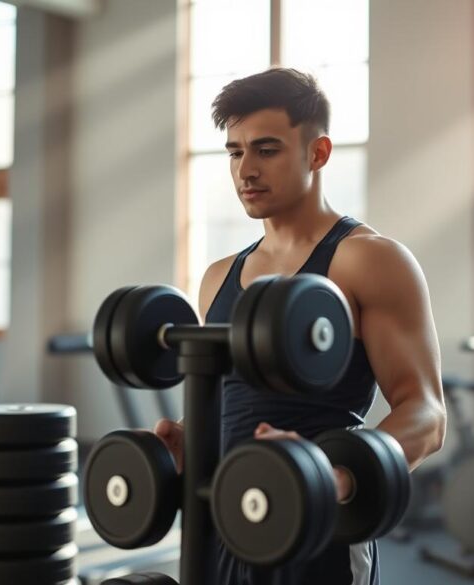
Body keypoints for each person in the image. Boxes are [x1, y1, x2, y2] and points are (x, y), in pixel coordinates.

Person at [154, 68, 446, 585]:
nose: (246, 169)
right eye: (235, 151)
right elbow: (234, 406)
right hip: (227, 517)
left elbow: (425, 414)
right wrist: (189, 444)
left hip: (320, 527)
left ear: (318, 153)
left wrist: (338, 477)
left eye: (266, 150)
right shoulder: (217, 277)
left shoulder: (367, 261)